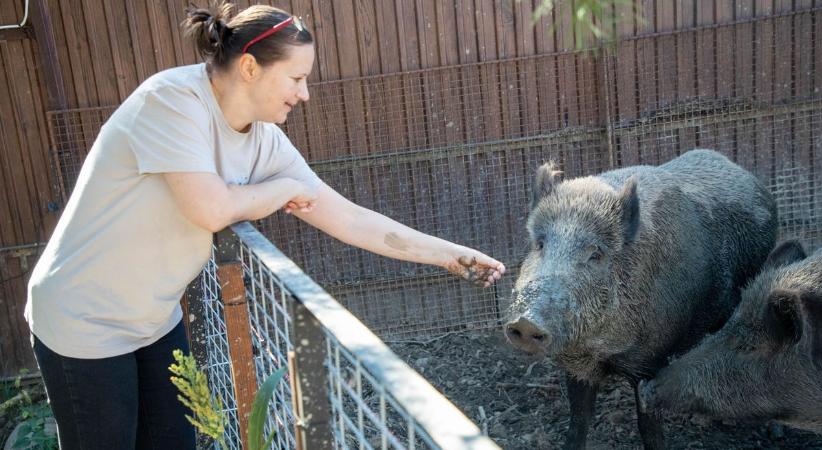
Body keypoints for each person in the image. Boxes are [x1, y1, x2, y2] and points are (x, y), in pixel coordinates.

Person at [24, 2, 505, 449]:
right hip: (83, 318)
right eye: (296, 78)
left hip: (152, 319)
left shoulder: (265, 143)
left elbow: (350, 218)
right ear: (250, 67)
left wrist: (449, 255)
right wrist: (276, 193)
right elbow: (210, 210)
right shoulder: (172, 101)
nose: (306, 93)